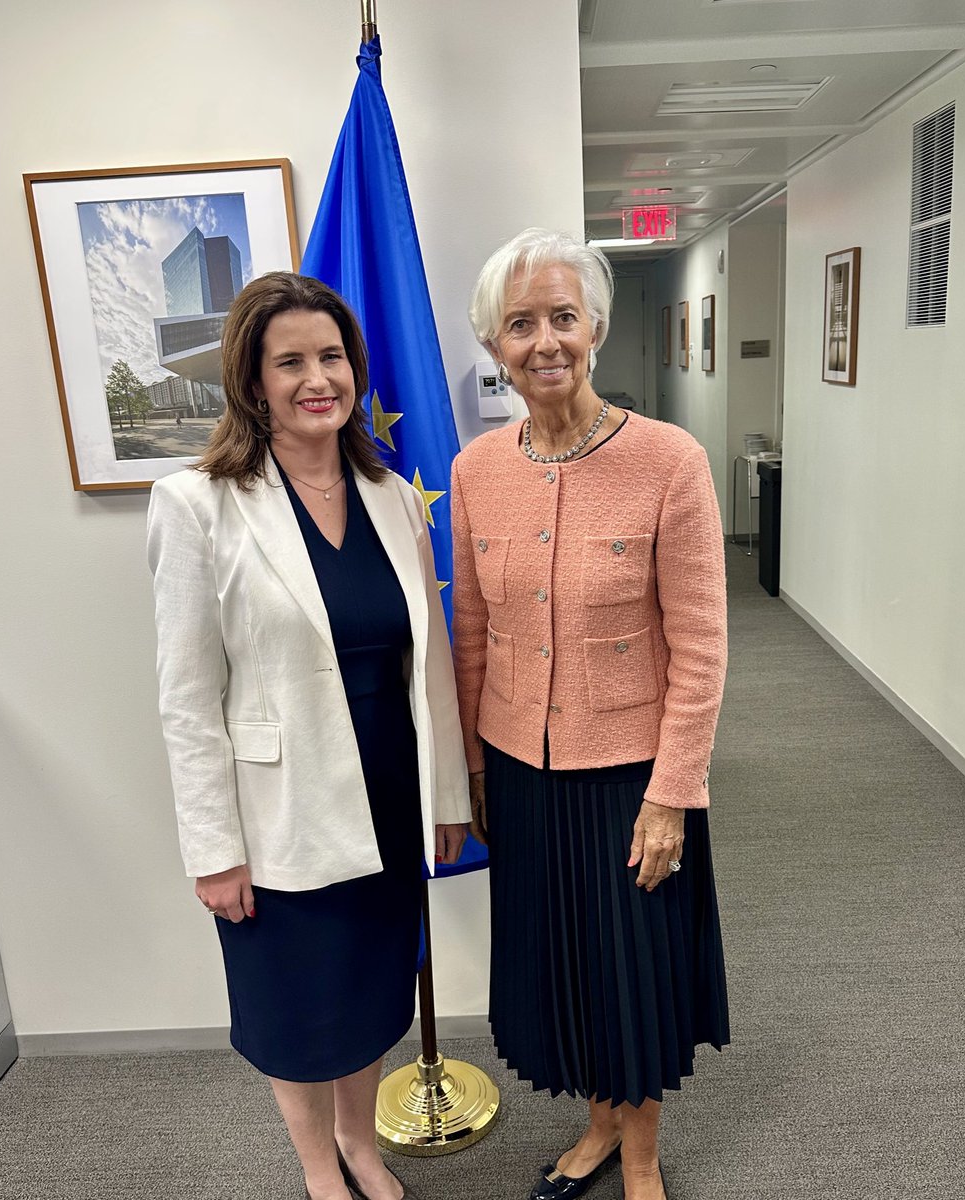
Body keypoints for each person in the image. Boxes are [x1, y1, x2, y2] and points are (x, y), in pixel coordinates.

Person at [147, 271, 469, 1200]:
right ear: (251, 380)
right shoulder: (198, 502)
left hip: (385, 787)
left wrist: (446, 793)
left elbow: (431, 661)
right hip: (275, 808)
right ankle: (320, 1169)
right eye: (289, 361)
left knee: (372, 992)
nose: (315, 377)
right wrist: (213, 848)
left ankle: (361, 1145)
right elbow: (185, 697)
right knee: (296, 1004)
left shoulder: (391, 494)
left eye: (330, 356)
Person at [451, 230, 730, 1200]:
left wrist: (672, 794)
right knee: (566, 965)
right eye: (519, 324)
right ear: (494, 346)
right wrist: (476, 773)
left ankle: (642, 1151)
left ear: (597, 328)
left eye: (562, 318)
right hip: (521, 769)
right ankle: (598, 1126)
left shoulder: (670, 461)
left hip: (631, 775)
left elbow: (700, 644)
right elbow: (473, 629)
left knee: (632, 971)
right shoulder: (476, 468)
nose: (544, 342)